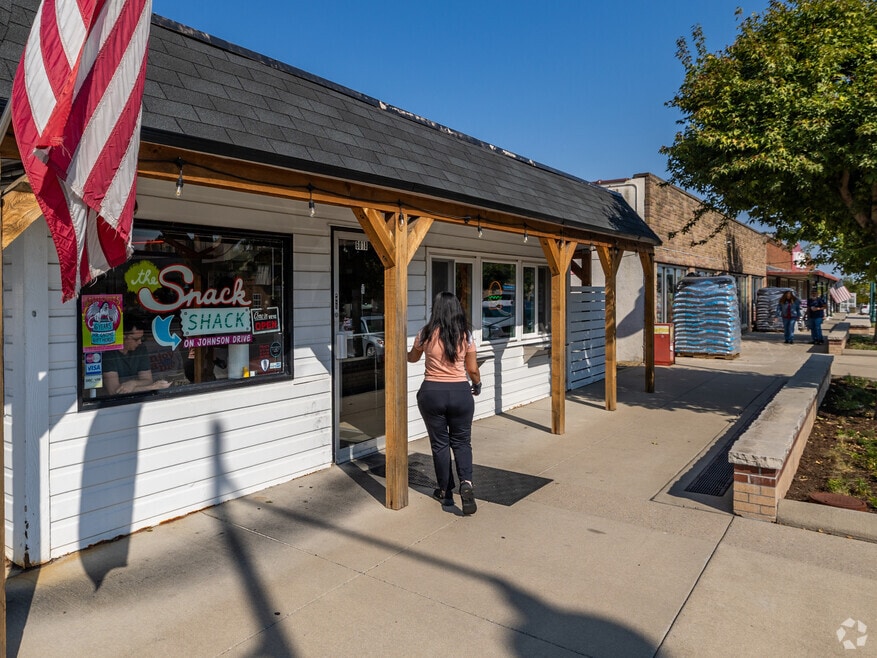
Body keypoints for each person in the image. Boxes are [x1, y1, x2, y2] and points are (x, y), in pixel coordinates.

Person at [408, 292, 482, 515]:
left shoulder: (425, 333)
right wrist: (477, 384)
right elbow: (472, 370)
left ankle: (445, 492)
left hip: (431, 393)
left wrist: (405, 352)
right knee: (462, 442)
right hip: (460, 393)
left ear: (436, 309)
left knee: (439, 444)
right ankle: (466, 484)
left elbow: (412, 358)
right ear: (457, 308)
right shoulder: (465, 335)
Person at [103, 313, 171, 395]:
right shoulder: (109, 353)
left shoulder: (140, 349)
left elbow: (147, 380)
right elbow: (115, 391)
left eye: (142, 338)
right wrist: (152, 387)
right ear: (122, 336)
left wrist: (133, 383)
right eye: (136, 339)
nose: (140, 342)